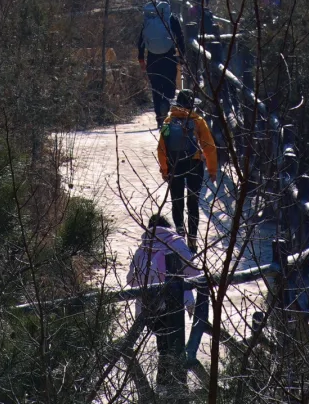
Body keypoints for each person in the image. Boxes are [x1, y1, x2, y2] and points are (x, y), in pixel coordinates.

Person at [127, 213, 201, 394]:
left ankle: (163, 385)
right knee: (174, 345)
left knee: (163, 345)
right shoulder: (177, 244)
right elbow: (193, 274)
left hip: (150, 306)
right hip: (173, 304)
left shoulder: (142, 249)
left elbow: (131, 280)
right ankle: (174, 385)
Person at [157, 88, 218, 252]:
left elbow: (161, 148)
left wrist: (164, 169)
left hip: (174, 165)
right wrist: (212, 170)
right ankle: (192, 238)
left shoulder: (168, 122)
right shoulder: (198, 121)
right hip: (194, 164)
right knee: (193, 202)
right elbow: (209, 147)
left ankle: (179, 233)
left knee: (177, 202)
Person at [137, 0, 186, 126]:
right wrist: (182, 57)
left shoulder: (149, 20)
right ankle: (166, 104)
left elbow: (141, 41)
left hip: (152, 59)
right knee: (169, 86)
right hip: (169, 57)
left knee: (156, 88)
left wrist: (141, 59)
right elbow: (180, 38)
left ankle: (159, 117)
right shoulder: (172, 19)